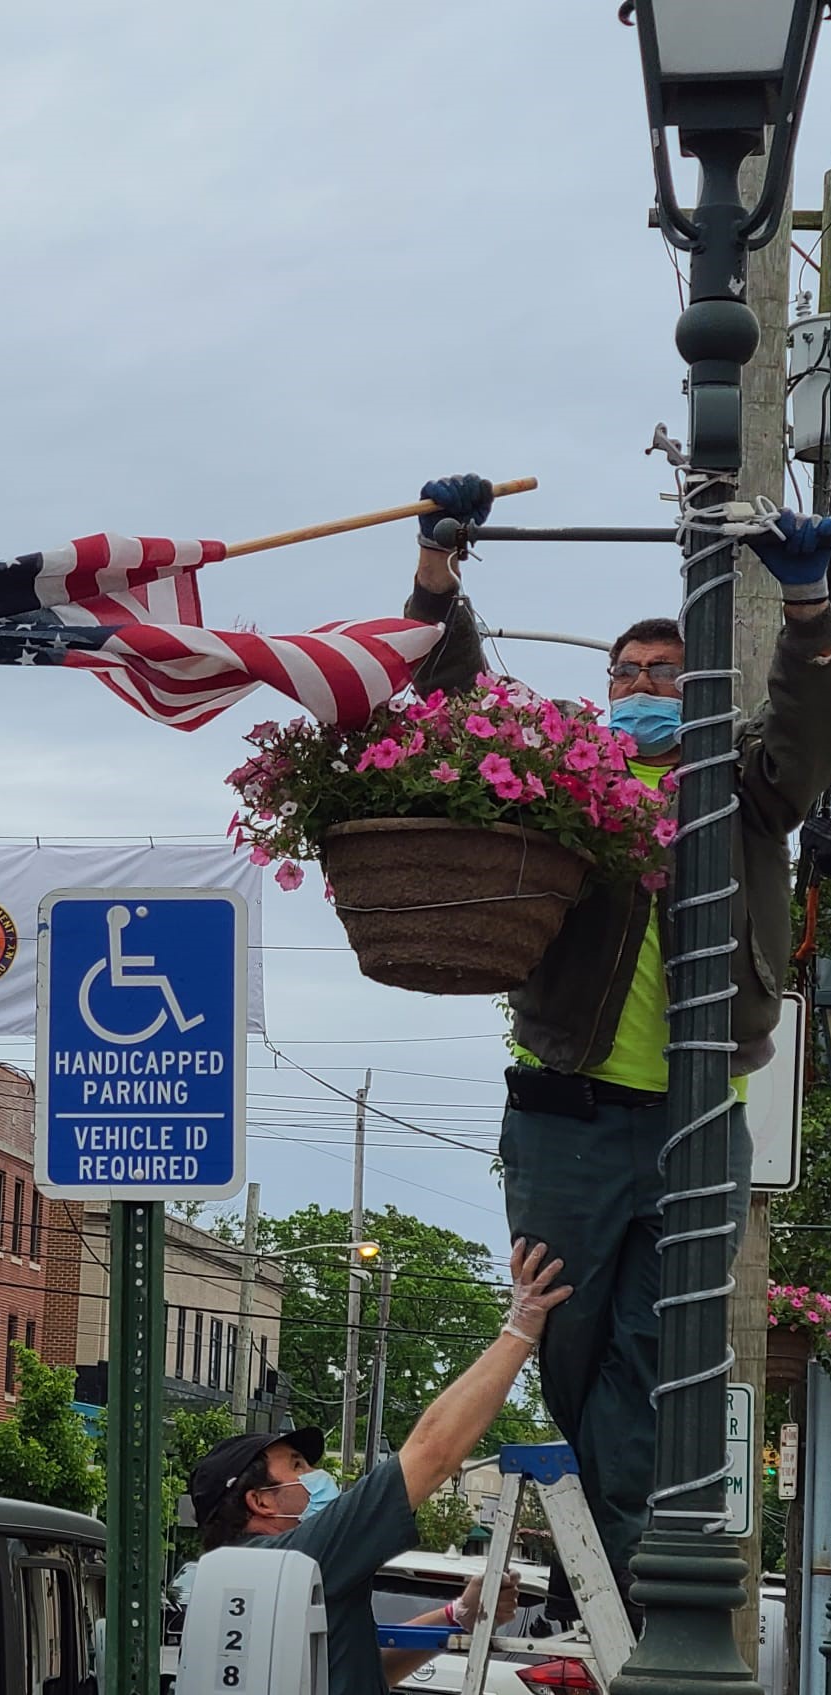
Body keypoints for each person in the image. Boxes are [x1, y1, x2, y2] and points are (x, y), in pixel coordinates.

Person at [402, 473, 831, 1603]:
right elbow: (456, 700)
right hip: (568, 1117)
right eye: (624, 676)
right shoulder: (565, 780)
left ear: (701, 690)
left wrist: (808, 608)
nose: (640, 688)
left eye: (662, 675)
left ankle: (628, 1583)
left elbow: (805, 725)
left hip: (702, 1118)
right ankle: (591, 1563)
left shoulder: (744, 788)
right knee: (566, 1337)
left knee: (660, 1357)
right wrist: (441, 568)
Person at [188, 1239, 568, 1695]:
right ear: (261, 1501)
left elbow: (365, 1673)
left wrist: (456, 1616)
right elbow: (432, 1452)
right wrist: (521, 1328)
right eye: (296, 1465)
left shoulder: (234, 1578)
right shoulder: (297, 1558)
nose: (314, 1474)